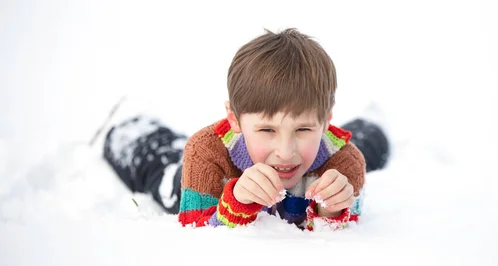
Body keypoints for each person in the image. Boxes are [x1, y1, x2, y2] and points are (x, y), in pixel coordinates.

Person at [102, 28, 389, 231]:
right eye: (267, 130)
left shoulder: (344, 161)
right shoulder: (207, 153)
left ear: (326, 120)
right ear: (235, 119)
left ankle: (372, 119)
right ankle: (134, 123)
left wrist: (332, 210)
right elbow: (195, 233)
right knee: (161, 172)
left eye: (302, 129)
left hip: (329, 149)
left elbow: (348, 232)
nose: (286, 152)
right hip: (210, 174)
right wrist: (236, 200)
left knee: (368, 145)